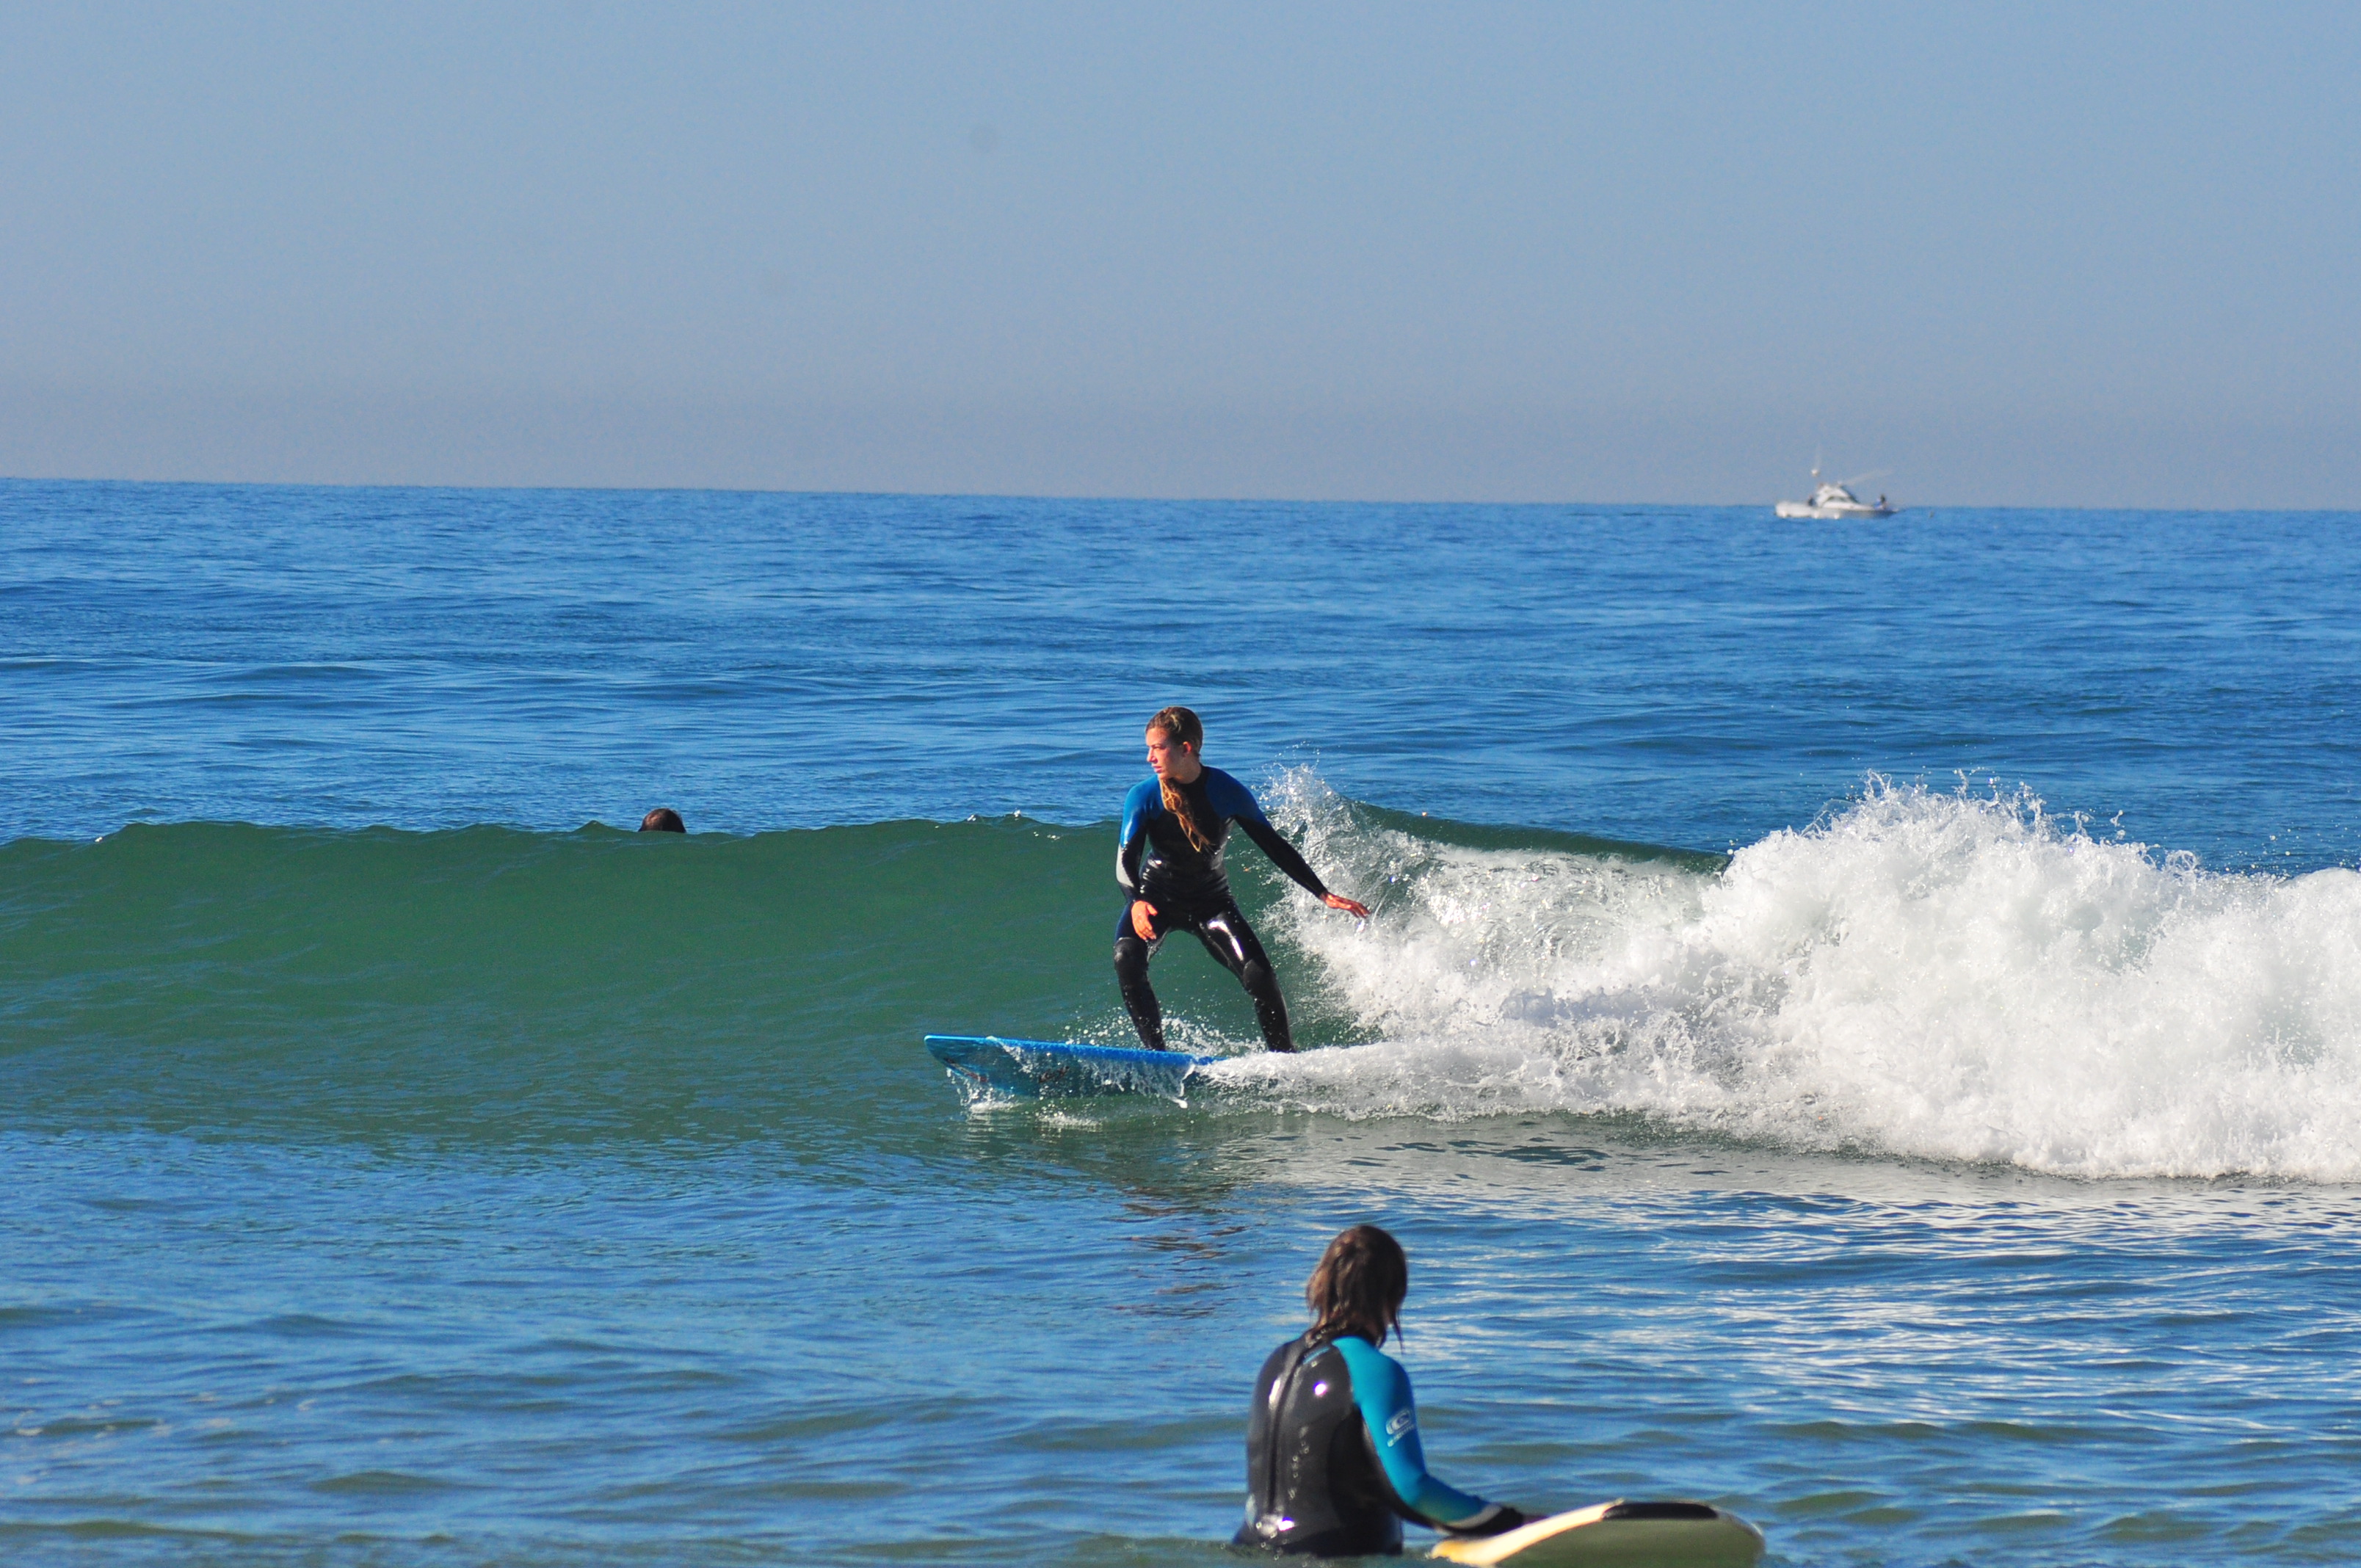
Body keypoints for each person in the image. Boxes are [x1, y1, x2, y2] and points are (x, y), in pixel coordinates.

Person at [1237, 1225, 1528, 1556]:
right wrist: (1511, 1522)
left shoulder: (1276, 1363)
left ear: (1323, 1285)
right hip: (1332, 1556)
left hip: (1251, 1551)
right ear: (1393, 1295)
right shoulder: (1374, 1370)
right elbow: (1412, 1491)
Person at [1115, 706, 1368, 1053]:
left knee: (1260, 976)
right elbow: (1125, 860)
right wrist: (1137, 902)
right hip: (1157, 899)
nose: (1149, 757)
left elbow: (1273, 845)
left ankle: (1285, 1059)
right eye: (1149, 748)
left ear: (1186, 748)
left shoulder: (1226, 791)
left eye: (1158, 748)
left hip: (1211, 903)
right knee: (1126, 957)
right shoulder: (1144, 795)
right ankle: (1156, 1057)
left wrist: (1322, 893)